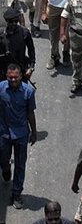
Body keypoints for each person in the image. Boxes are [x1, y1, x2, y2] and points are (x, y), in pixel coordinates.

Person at [0, 62, 37, 207]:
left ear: (21, 76)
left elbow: (30, 113)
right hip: (3, 133)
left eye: (16, 77)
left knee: (20, 164)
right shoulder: (1, 88)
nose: (13, 80)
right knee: (3, 159)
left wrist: (34, 132)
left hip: (21, 134)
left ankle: (16, 194)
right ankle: (6, 169)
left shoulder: (28, 92)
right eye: (10, 77)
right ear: (6, 76)